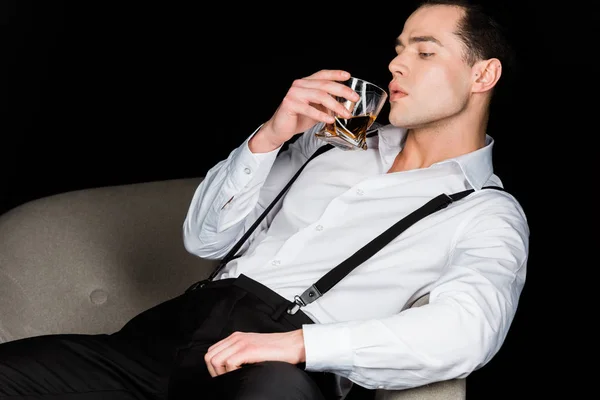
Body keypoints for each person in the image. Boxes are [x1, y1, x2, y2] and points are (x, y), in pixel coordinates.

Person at [0, 0, 529, 399]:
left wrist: (296, 347)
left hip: (279, 369)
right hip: (168, 336)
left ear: (483, 74)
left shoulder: (485, 211)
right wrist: (270, 138)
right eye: (397, 49)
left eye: (424, 51)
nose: (396, 65)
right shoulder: (331, 142)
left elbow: (469, 330)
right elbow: (204, 238)